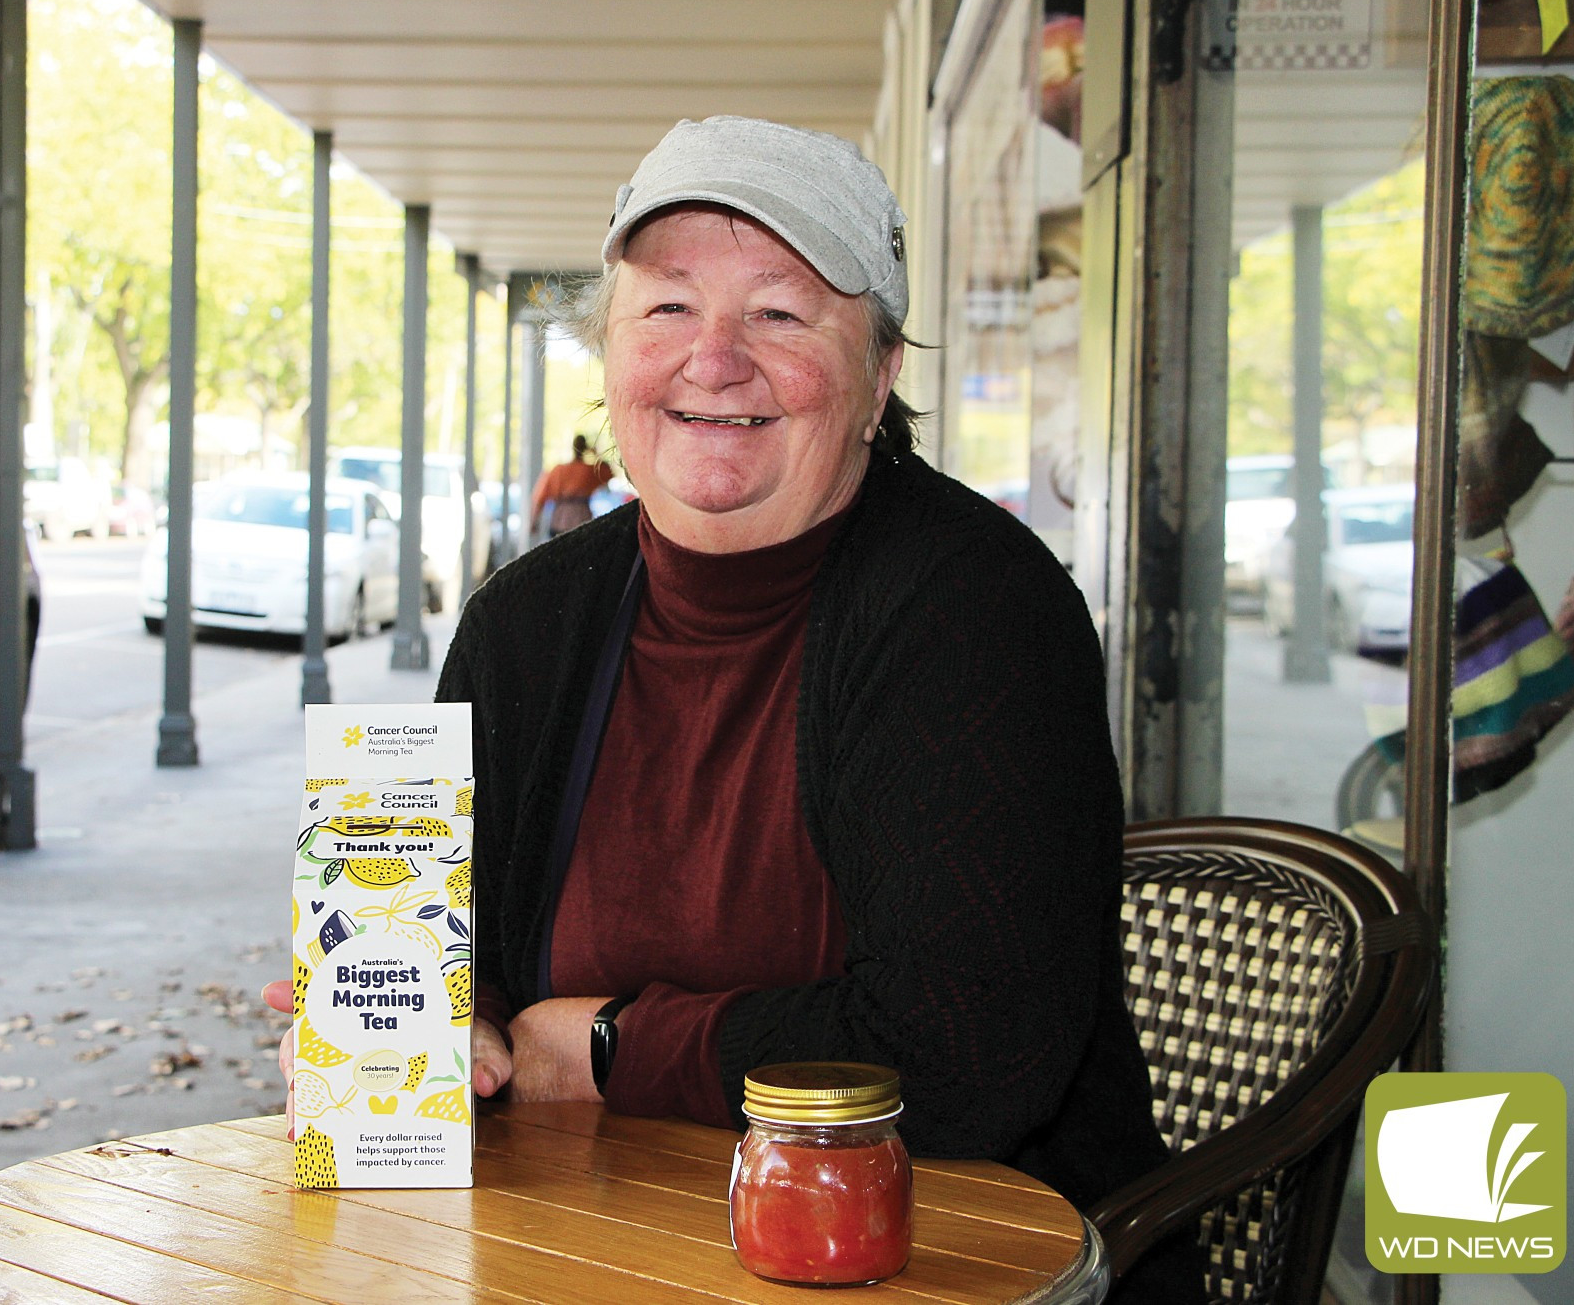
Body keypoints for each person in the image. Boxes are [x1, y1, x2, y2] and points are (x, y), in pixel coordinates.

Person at [267, 117, 1201, 1300]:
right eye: (664, 307)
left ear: (878, 377)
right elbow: (466, 945)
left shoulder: (978, 607)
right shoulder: (527, 619)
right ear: (609, 354)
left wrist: (607, 1046)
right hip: (580, 1248)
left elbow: (964, 1054)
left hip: (943, 1261)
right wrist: (429, 1026)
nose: (713, 360)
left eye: (778, 311)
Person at [527, 434, 615, 539]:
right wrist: (595, 454)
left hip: (560, 520)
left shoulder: (559, 470)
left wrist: (533, 521)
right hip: (582, 519)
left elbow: (540, 497)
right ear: (585, 447)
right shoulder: (589, 471)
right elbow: (609, 472)